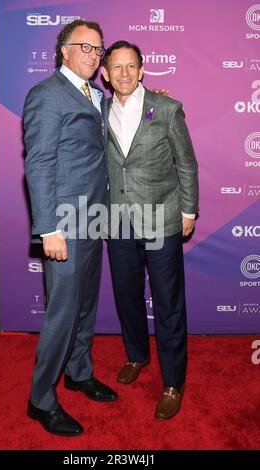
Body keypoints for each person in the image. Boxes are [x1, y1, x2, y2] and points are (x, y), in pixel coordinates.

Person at [23, 20, 118, 437]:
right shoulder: (46, 95)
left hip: (95, 220)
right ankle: (40, 399)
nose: (94, 55)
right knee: (62, 314)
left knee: (84, 308)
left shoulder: (97, 94)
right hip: (64, 224)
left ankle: (78, 373)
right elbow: (39, 163)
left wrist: (155, 103)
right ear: (63, 50)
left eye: (98, 49)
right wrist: (48, 229)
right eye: (85, 47)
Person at [101, 41, 199, 420]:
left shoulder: (168, 109)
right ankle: (136, 356)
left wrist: (188, 210)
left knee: (168, 303)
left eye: (131, 66)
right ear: (105, 74)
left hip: (162, 219)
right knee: (127, 296)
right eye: (116, 67)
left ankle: (174, 381)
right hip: (117, 221)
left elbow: (186, 164)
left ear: (142, 70)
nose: (124, 73)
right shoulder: (98, 109)